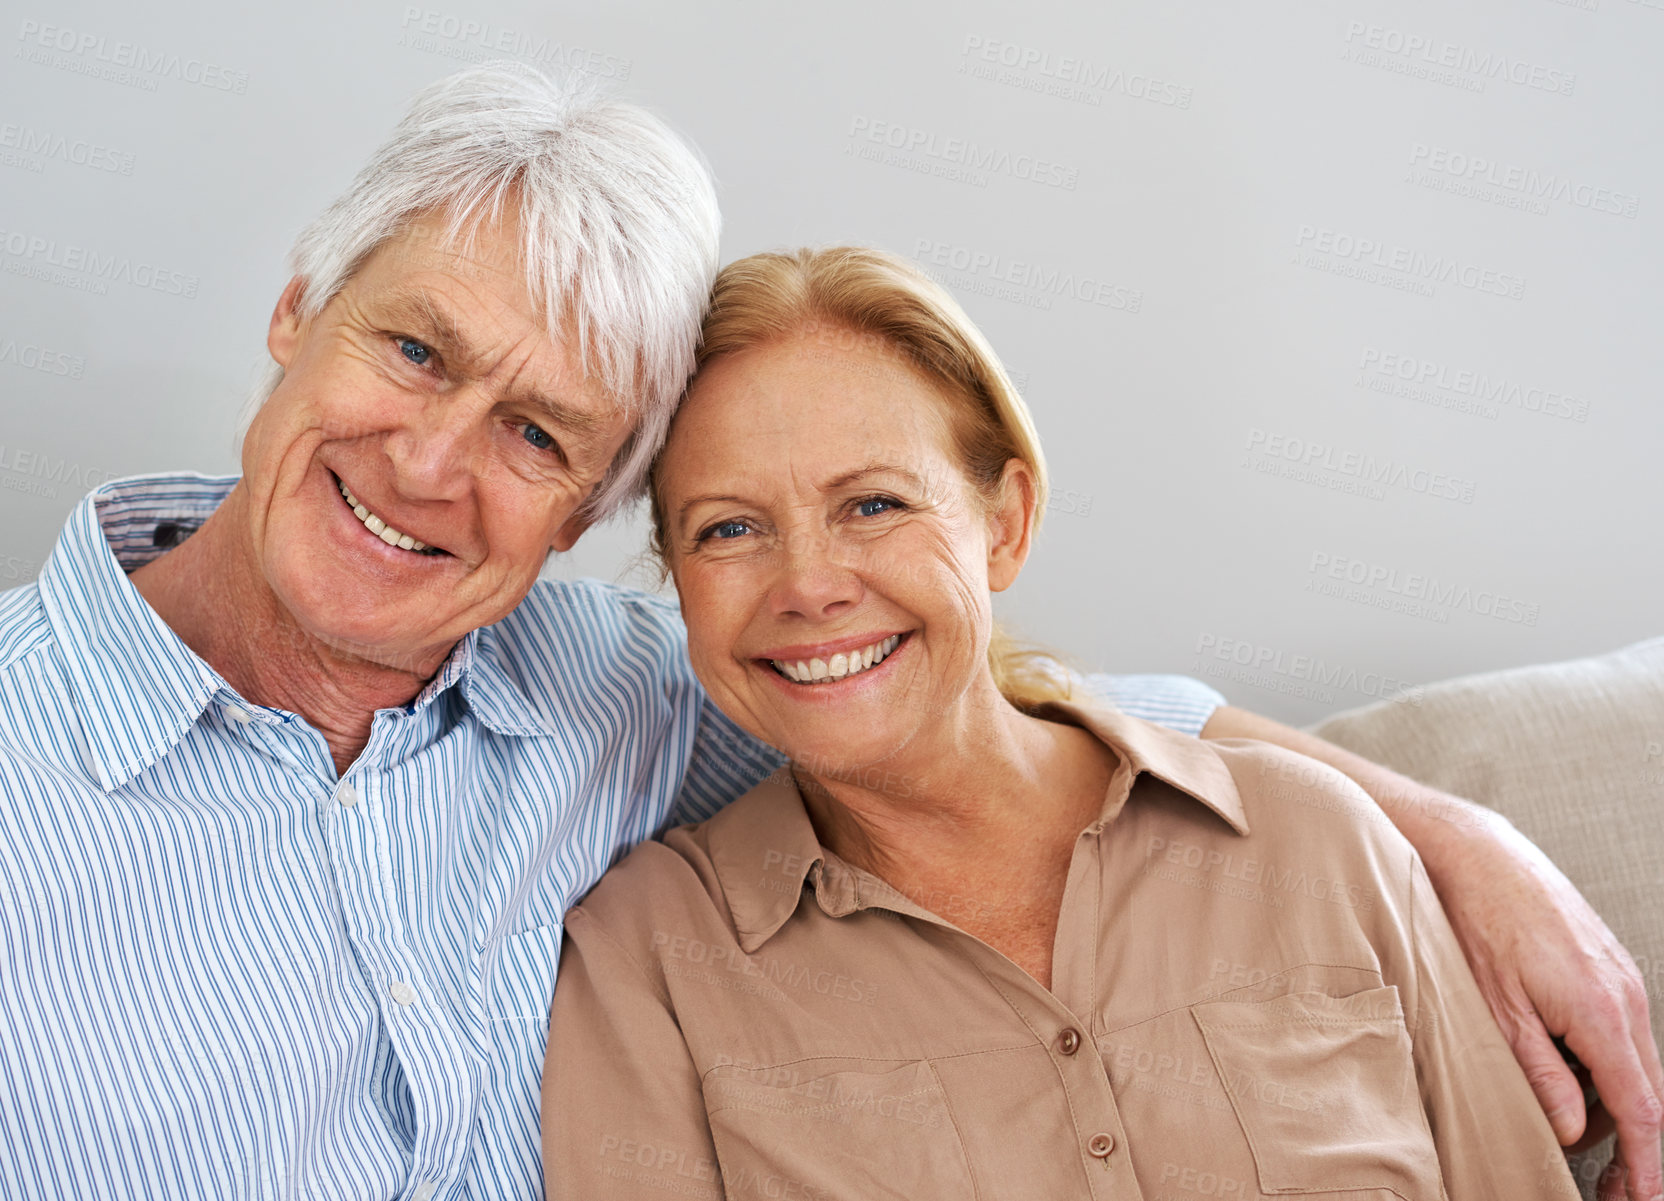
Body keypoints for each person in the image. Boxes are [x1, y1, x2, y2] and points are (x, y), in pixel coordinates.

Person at [0, 63, 1654, 1201]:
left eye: (538, 435)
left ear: (583, 514)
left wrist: (1441, 828)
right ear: (299, 306)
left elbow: (1000, 717)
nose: (432, 468)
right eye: (414, 351)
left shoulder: (612, 689)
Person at [541, 247, 1651, 1200]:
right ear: (676, 583)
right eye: (729, 529)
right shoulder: (651, 963)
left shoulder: (1315, 841)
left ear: (1003, 524)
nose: (808, 584)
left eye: (872, 503)